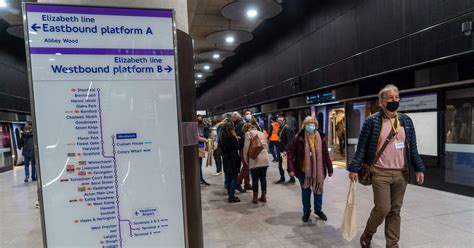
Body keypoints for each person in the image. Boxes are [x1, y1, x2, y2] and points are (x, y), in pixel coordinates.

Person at [348, 84, 425, 248]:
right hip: (379, 172)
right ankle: (369, 232)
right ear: (381, 101)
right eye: (390, 98)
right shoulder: (372, 121)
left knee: (395, 210)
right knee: (383, 207)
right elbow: (362, 147)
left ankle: (392, 244)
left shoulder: (406, 121)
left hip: (401, 173)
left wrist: (419, 168)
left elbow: (413, 148)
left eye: (397, 97)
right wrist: (354, 168)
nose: (394, 100)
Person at [287, 116, 333, 223]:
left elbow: (325, 153)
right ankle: (306, 212)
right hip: (304, 171)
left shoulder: (321, 137)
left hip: (319, 171)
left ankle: (318, 210)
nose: (310, 125)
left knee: (318, 191)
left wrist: (330, 168)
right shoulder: (298, 137)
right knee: (306, 192)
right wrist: (290, 168)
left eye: (312, 122)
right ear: (304, 125)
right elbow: (290, 153)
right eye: (308, 123)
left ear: (316, 124)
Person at [243, 122, 270, 204]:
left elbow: (246, 147)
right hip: (264, 157)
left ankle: (255, 198)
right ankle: (263, 196)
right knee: (263, 178)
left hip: (254, 158)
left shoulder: (248, 133)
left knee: (255, 178)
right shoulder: (261, 133)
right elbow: (266, 146)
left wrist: (245, 159)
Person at [219, 122, 242, 203]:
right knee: (234, 177)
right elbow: (237, 147)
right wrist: (240, 140)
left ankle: (229, 194)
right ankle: (231, 196)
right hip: (233, 159)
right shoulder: (231, 137)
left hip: (225, 159)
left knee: (228, 177)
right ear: (231, 129)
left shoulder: (222, 137)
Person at [231, 112, 252, 192]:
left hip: (244, 148)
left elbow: (241, 137)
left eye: (233, 117)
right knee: (246, 166)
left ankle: (245, 183)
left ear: (236, 117)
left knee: (246, 166)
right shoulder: (239, 123)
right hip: (243, 148)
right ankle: (239, 183)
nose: (232, 119)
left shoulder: (240, 124)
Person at [275, 116, 296, 185]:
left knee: (287, 165)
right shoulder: (280, 129)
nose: (279, 122)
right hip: (281, 150)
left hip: (286, 151)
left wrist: (286, 150)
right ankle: (282, 178)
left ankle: (292, 179)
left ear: (284, 121)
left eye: (281, 120)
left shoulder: (287, 129)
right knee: (281, 165)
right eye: (278, 121)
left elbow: (289, 141)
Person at [197, 115, 210, 186]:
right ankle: (200, 179)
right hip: (197, 147)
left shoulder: (202, 127)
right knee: (198, 164)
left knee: (200, 164)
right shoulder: (196, 127)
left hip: (201, 147)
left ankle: (201, 178)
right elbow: (198, 138)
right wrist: (206, 140)